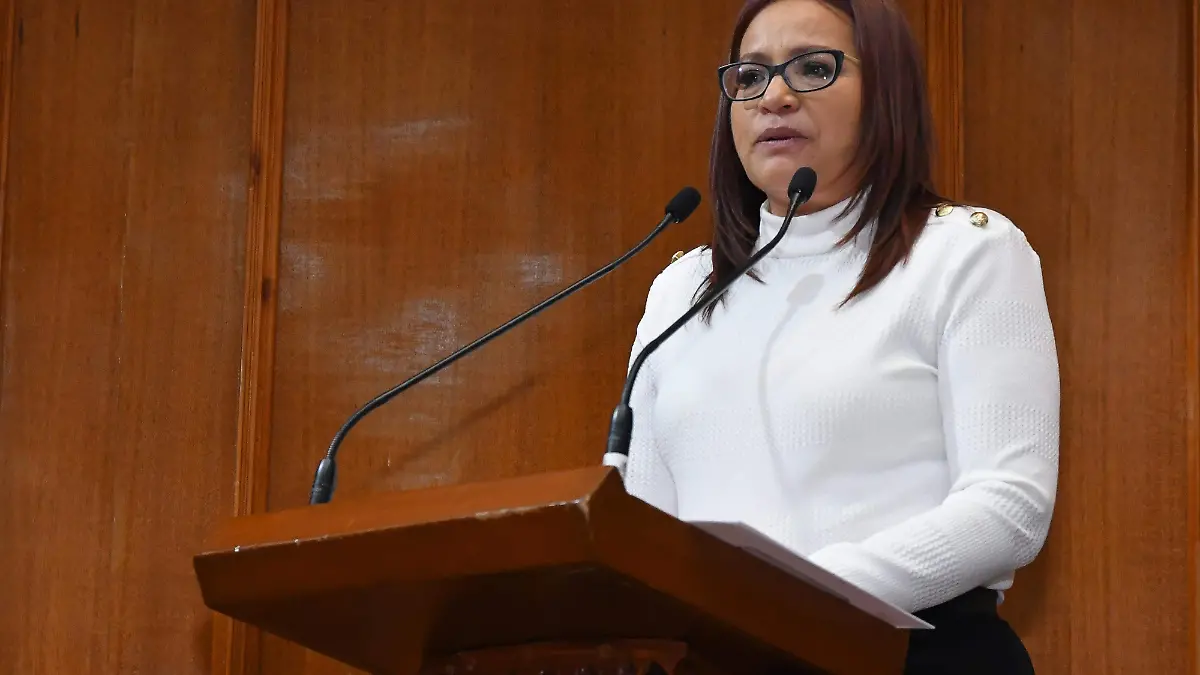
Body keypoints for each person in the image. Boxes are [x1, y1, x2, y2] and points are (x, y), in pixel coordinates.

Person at [621, 0, 1060, 673]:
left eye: (813, 68)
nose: (775, 96)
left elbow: (1009, 507)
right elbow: (641, 527)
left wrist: (791, 598)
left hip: (915, 653)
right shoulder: (681, 290)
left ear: (886, 94)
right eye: (750, 76)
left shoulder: (965, 254)